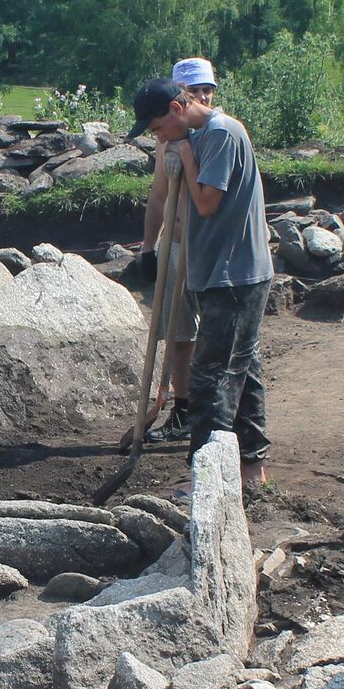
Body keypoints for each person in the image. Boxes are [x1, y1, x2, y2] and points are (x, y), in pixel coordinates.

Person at [129, 77, 273, 488]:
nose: (159, 138)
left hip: (235, 274)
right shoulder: (202, 135)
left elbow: (208, 204)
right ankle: (250, 469)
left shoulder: (221, 134)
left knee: (211, 376)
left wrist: (187, 158)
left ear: (176, 109)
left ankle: (207, 478)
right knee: (244, 370)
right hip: (219, 271)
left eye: (157, 129)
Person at [134, 57, 219, 443]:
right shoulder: (165, 139)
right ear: (180, 96)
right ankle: (183, 411)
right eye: (195, 89)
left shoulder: (217, 135)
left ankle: (216, 416)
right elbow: (158, 196)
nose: (203, 95)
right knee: (179, 333)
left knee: (217, 337)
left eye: (208, 89)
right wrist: (149, 248)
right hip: (176, 244)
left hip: (209, 250)